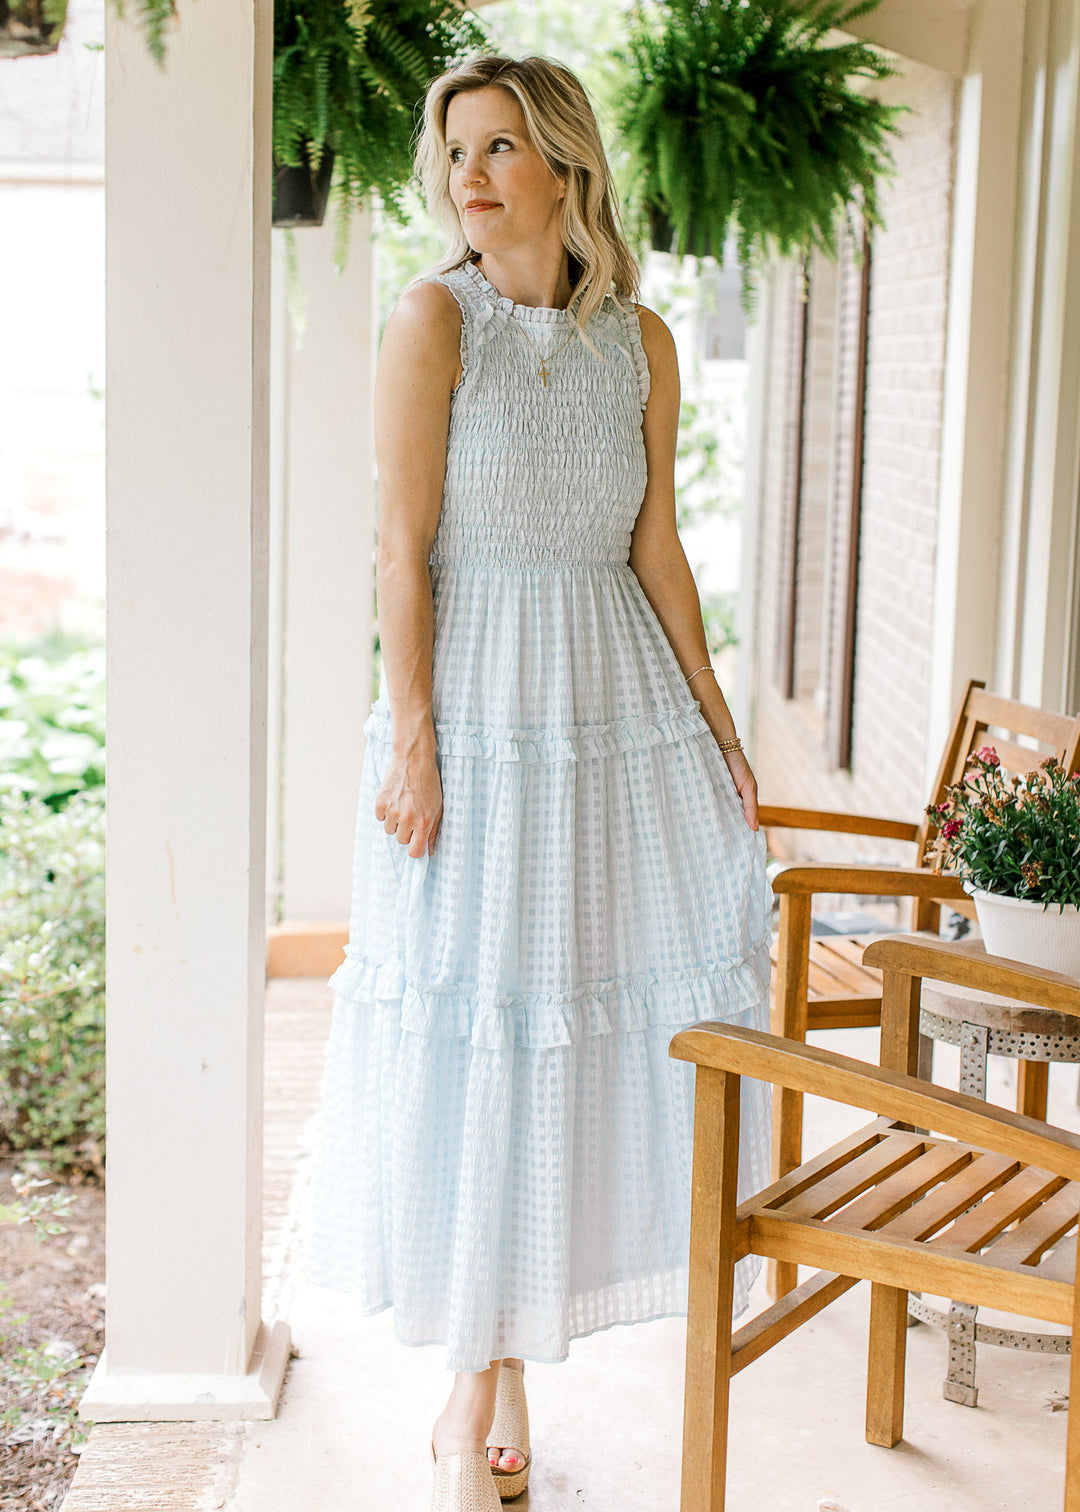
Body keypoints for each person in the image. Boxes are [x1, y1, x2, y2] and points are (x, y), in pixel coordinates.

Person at [307, 51, 774, 1512]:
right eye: (456, 148)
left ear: (564, 163)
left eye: (501, 145)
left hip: (610, 705)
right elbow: (399, 548)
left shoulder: (640, 339)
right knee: (478, 1025)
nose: (471, 173)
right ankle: (474, 1374)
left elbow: (658, 550)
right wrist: (418, 739)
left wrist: (718, 724)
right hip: (478, 709)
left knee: (573, 1024)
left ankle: (512, 1352)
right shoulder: (430, 320)